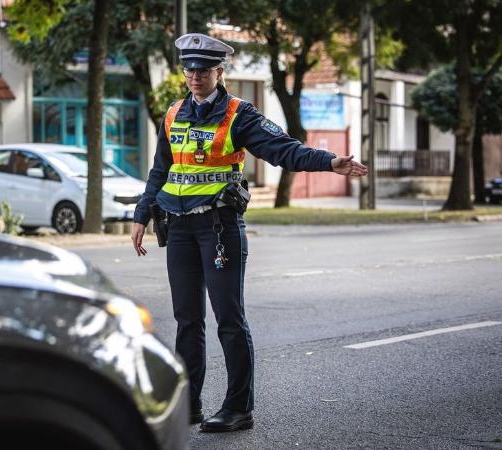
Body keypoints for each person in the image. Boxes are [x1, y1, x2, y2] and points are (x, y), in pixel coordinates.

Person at [130, 33, 368, 433]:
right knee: (187, 320)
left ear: (220, 72)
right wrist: (141, 214)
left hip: (219, 227)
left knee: (229, 320)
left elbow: (284, 149)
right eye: (189, 69)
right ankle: (187, 405)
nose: (194, 76)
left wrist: (329, 161)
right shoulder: (172, 114)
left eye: (203, 70)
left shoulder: (239, 114)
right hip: (180, 228)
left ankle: (238, 407)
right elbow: (161, 170)